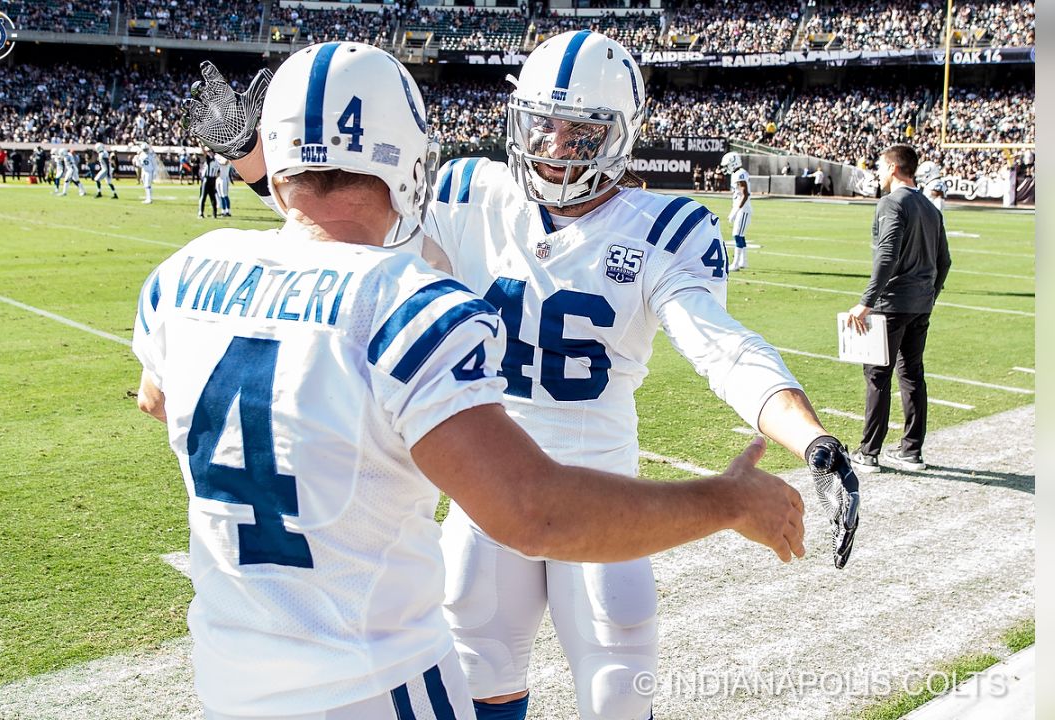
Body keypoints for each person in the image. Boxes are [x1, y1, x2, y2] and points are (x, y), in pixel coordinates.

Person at [201, 35, 860, 720]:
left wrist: (812, 439)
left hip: (604, 484)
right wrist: (256, 158)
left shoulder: (662, 227)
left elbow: (722, 347)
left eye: (580, 130)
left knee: (617, 692)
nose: (552, 142)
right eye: (541, 121)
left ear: (621, 136)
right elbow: (341, 233)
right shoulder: (467, 192)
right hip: (491, 476)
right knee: (478, 672)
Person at [845, 144, 952, 474]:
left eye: (880, 166)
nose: (877, 172)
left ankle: (869, 452)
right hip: (920, 304)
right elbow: (944, 261)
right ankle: (911, 450)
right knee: (912, 374)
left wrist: (866, 301)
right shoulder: (931, 208)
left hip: (892, 304)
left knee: (877, 375)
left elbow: (886, 255)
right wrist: (929, 296)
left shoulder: (892, 203)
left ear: (893, 167)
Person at [722, 150, 752, 271]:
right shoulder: (737, 173)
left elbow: (745, 194)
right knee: (740, 235)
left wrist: (736, 210)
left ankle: (736, 263)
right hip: (740, 208)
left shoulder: (740, 173)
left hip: (743, 209)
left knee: (737, 235)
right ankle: (743, 261)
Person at [197, 147, 220, 218]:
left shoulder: (210, 159)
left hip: (207, 180)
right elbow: (218, 172)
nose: (208, 153)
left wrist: (201, 145)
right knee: (213, 197)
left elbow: (204, 153)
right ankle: (214, 214)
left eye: (210, 151)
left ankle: (201, 213)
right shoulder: (217, 161)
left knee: (203, 196)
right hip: (213, 180)